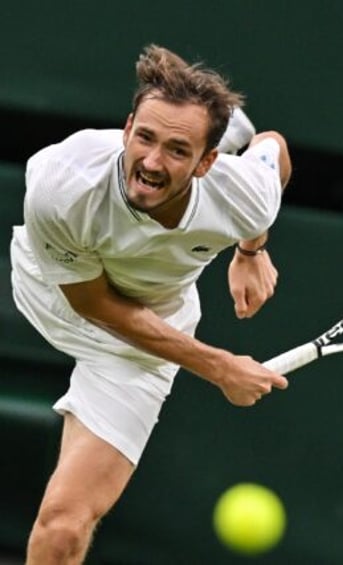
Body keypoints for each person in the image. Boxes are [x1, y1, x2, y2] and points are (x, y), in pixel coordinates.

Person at [9, 44, 291, 564]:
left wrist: (253, 249)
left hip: (143, 343)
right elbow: (93, 302)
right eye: (144, 138)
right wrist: (219, 365)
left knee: (64, 528)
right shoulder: (61, 185)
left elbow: (275, 148)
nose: (152, 162)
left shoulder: (241, 193)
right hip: (54, 293)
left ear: (208, 162)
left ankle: (227, 129)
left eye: (179, 150)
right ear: (126, 127)